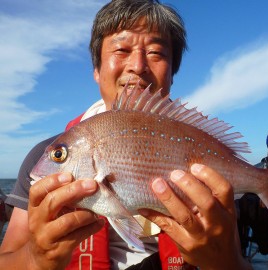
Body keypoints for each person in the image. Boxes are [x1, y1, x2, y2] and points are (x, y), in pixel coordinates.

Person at [0, 1, 252, 269]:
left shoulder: (203, 149)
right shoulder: (42, 155)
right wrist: (36, 258)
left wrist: (225, 261)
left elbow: (234, 261)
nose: (138, 65)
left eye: (156, 52)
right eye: (121, 49)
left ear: (172, 73)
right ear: (96, 70)